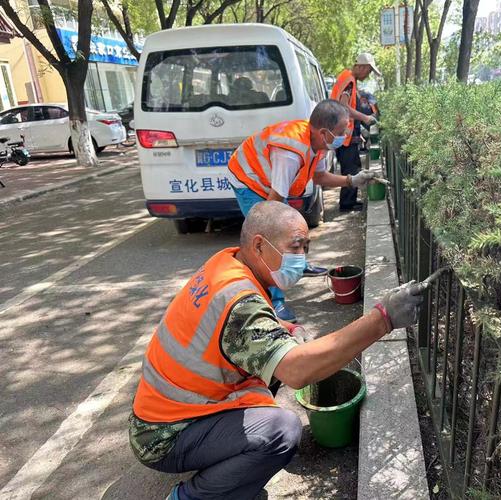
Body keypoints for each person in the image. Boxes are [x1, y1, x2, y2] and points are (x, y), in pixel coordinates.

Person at [128, 201, 426, 500]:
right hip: (163, 436)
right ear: (259, 245)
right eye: (295, 247)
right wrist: (382, 319)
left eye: (306, 247)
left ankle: (229, 472)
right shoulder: (239, 299)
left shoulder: (227, 265)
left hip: (165, 411)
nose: (302, 257)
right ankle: (191, 497)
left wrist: (288, 328)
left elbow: (238, 326)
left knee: (280, 354)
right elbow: (297, 371)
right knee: (280, 432)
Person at [226, 99, 377, 322]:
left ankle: (298, 264)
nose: (345, 135)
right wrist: (277, 231)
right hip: (249, 180)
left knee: (288, 229)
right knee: (270, 237)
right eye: (341, 131)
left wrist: (352, 180)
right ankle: (274, 301)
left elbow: (319, 177)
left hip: (269, 181)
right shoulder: (291, 151)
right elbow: (274, 203)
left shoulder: (317, 143)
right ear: (324, 131)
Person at [330, 53, 381, 211]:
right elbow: (344, 107)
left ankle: (349, 201)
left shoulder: (348, 79)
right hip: (344, 136)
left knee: (352, 166)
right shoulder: (349, 81)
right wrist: (365, 118)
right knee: (351, 168)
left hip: (346, 134)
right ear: (362, 67)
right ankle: (347, 204)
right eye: (369, 71)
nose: (368, 75)